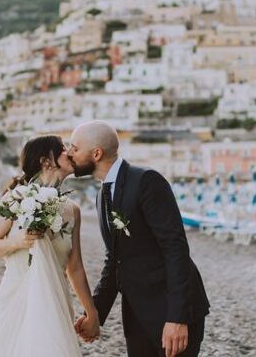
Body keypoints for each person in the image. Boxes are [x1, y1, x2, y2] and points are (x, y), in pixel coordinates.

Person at [68, 121, 209, 357]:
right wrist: (94, 314)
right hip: (136, 315)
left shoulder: (146, 181)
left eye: (74, 148)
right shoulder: (102, 194)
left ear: (96, 153)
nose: (69, 153)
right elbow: (115, 259)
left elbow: (175, 249)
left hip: (171, 311)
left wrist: (177, 317)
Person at [0, 135, 99, 356]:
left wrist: (91, 313)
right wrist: (17, 241)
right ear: (46, 161)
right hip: (18, 297)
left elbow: (75, 268)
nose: (70, 152)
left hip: (55, 298)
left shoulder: (72, 210)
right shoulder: (16, 199)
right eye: (63, 149)